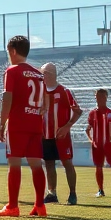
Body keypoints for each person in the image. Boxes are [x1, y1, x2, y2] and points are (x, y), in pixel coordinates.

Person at [0, 36, 48, 218]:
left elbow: (7, 98)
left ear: (13, 51)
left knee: (14, 164)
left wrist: (2, 123)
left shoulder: (12, 71)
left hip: (18, 123)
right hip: (35, 123)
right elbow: (45, 100)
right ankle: (40, 205)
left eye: (8, 51)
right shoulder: (38, 74)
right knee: (36, 164)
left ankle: (12, 206)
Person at [40, 63, 81, 206]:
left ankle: (73, 194)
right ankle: (52, 193)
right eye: (42, 73)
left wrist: (67, 127)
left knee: (67, 163)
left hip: (61, 136)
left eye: (45, 73)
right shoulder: (40, 92)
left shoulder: (65, 91)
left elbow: (77, 111)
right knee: (49, 163)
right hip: (45, 135)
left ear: (53, 73)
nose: (43, 76)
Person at [84, 88, 111, 199]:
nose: (99, 99)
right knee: (98, 167)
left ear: (106, 97)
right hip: (97, 145)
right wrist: (91, 140)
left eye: (102, 96)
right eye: (97, 96)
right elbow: (88, 129)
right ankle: (100, 190)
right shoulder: (92, 113)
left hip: (110, 145)